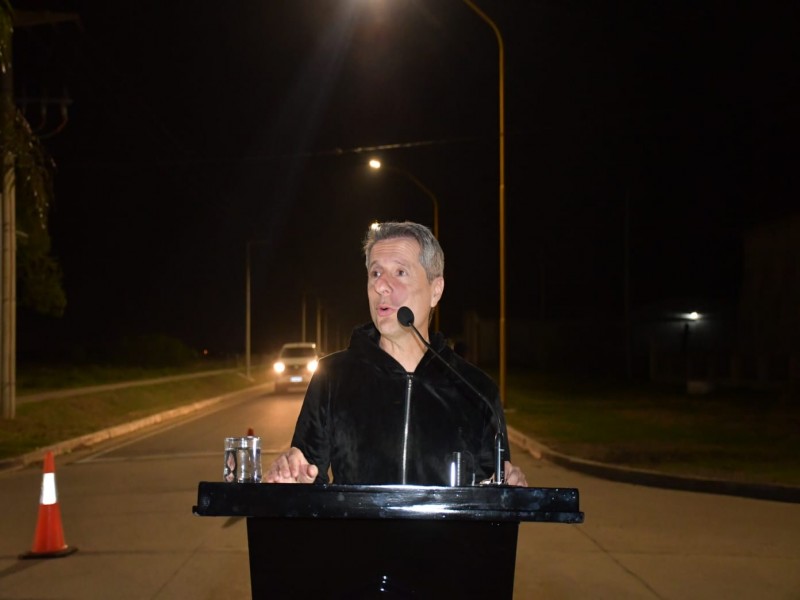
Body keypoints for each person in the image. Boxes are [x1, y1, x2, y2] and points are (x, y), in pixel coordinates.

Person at [265, 221, 527, 486]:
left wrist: (508, 492)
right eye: (376, 273)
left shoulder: (477, 392)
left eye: (400, 272)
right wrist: (290, 481)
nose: (381, 286)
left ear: (435, 290)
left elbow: (493, 506)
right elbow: (306, 483)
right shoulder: (331, 378)